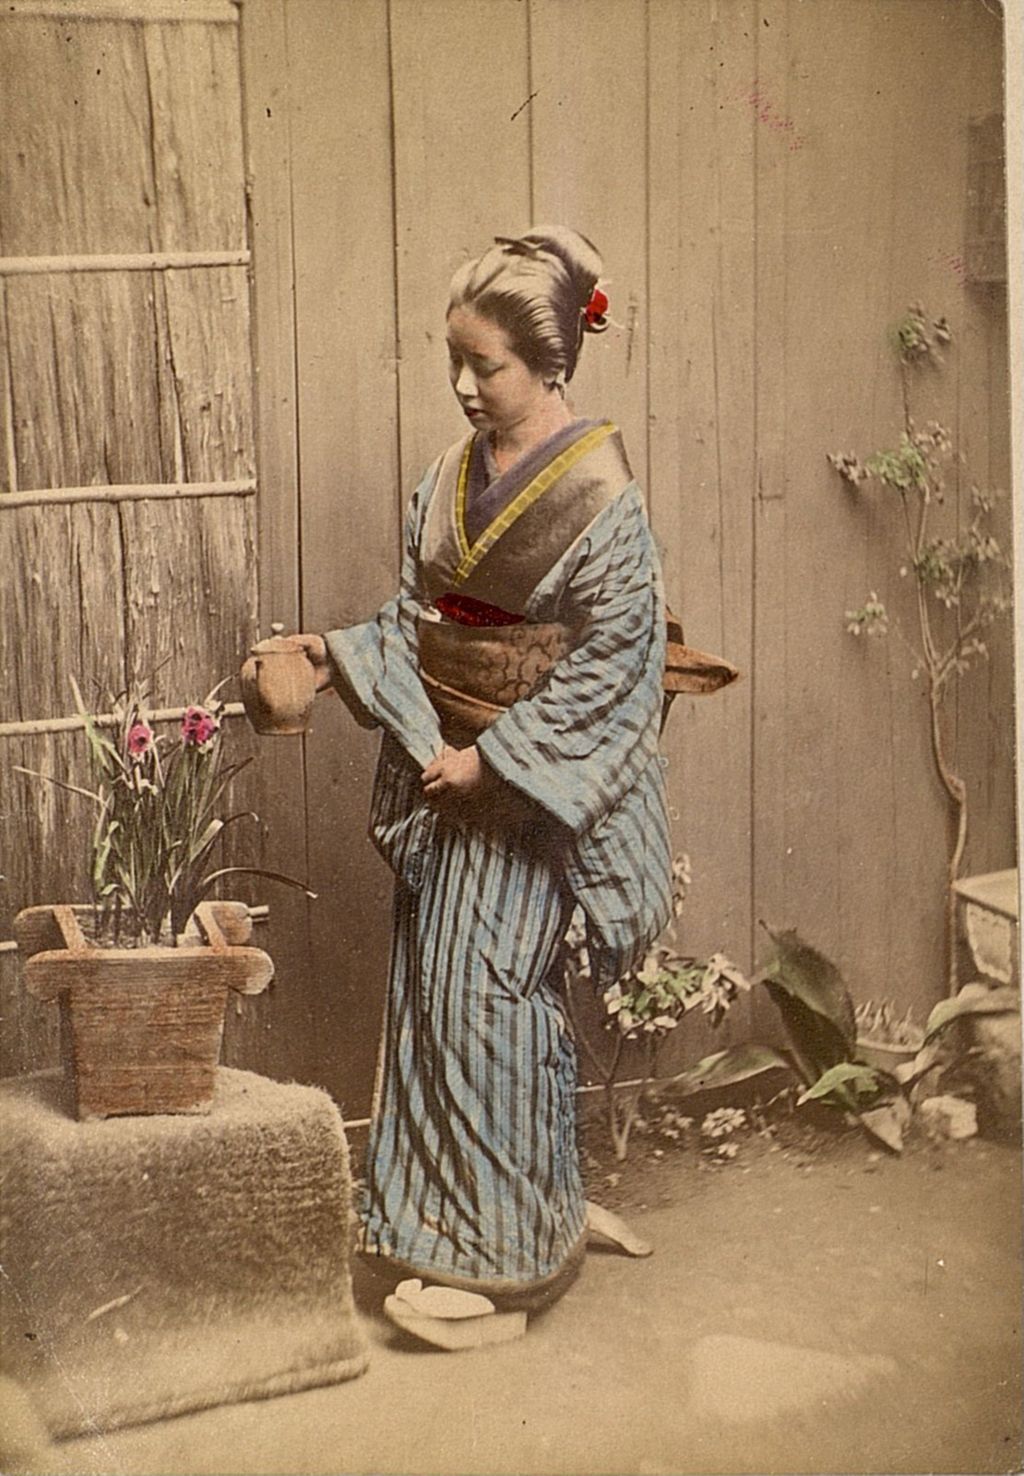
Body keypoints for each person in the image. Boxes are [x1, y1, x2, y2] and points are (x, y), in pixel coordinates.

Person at [294, 226, 675, 1347]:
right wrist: (336, 654)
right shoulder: (446, 482)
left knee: (485, 1002)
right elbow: (423, 630)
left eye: (488, 366)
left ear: (551, 363)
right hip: (443, 775)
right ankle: (483, 1221)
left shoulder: (602, 497)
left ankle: (503, 1265)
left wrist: (497, 760)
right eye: (453, 360)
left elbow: (620, 658)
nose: (464, 386)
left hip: (519, 796)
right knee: (432, 996)